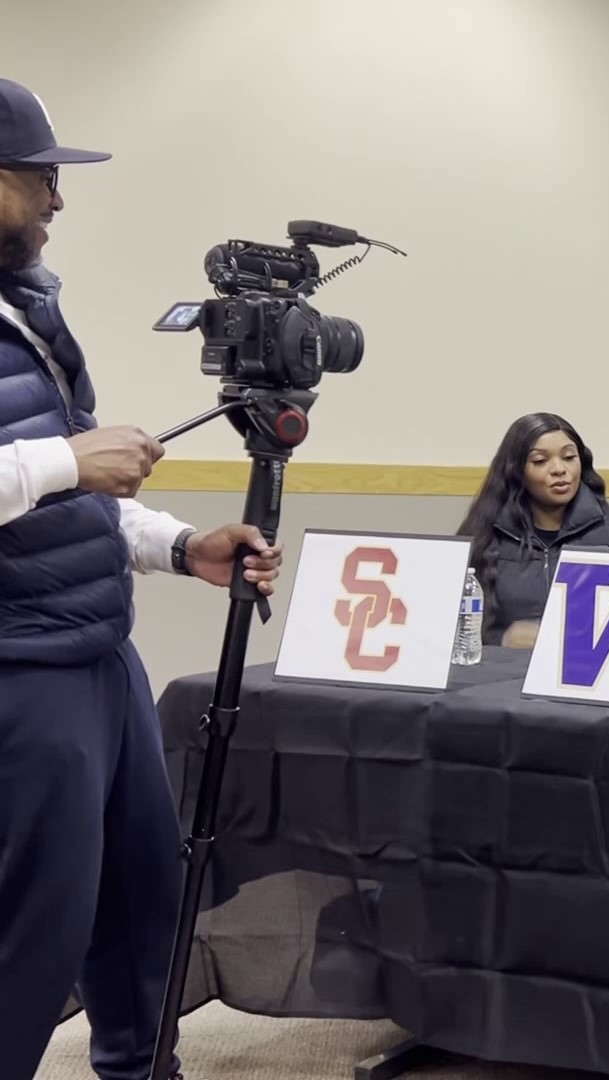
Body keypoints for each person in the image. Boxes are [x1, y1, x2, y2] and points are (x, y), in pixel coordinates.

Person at [0, 78, 284, 1080]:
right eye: (37, 178)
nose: (56, 201)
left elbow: (66, 488)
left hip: (98, 655)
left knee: (137, 907)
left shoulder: (26, 310)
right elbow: (56, 471)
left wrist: (179, 547)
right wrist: (67, 463)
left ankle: (140, 1065)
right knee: (31, 933)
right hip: (21, 672)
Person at [457, 412, 609, 648]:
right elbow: (449, 631)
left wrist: (562, 639)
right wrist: (502, 642)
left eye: (569, 457)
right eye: (540, 461)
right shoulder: (483, 536)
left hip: (589, 676)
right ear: (516, 471)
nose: (559, 469)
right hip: (501, 676)